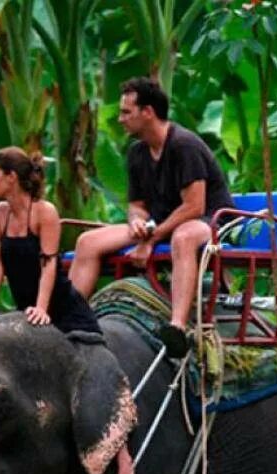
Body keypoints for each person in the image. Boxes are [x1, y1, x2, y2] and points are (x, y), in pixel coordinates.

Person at [0, 147, 135, 474]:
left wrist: (43, 309)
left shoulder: (45, 213)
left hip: (62, 307)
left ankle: (123, 459)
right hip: (27, 306)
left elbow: (49, 264)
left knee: (94, 366)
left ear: (11, 177)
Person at [68, 77, 234, 358]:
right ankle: (69, 317)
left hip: (208, 221)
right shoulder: (137, 152)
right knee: (88, 242)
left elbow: (194, 206)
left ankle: (178, 326)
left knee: (183, 238)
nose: (120, 119)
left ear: (148, 112)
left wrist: (152, 238)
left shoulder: (184, 145)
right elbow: (137, 204)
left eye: (126, 112)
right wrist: (136, 221)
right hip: (160, 224)